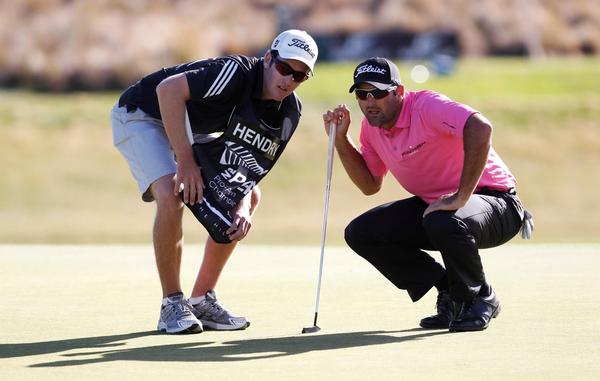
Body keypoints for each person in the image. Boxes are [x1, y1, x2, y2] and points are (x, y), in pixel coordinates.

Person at [111, 29, 318, 334]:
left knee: (249, 198)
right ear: (268, 59)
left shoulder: (288, 111)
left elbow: (249, 166)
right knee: (172, 193)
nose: (289, 80)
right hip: (143, 113)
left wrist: (244, 206)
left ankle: (201, 301)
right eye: (285, 68)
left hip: (192, 128)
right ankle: (171, 304)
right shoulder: (234, 73)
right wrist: (185, 160)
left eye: (299, 76)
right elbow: (168, 91)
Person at [323, 57, 532, 332]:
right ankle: (450, 292)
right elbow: (370, 185)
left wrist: (460, 196)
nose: (369, 101)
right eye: (362, 94)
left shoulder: (426, 106)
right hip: (440, 211)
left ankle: (481, 296)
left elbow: (481, 128)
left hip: (498, 205)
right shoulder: (371, 129)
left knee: (442, 219)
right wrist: (340, 140)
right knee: (361, 232)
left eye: (379, 93)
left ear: (398, 92)